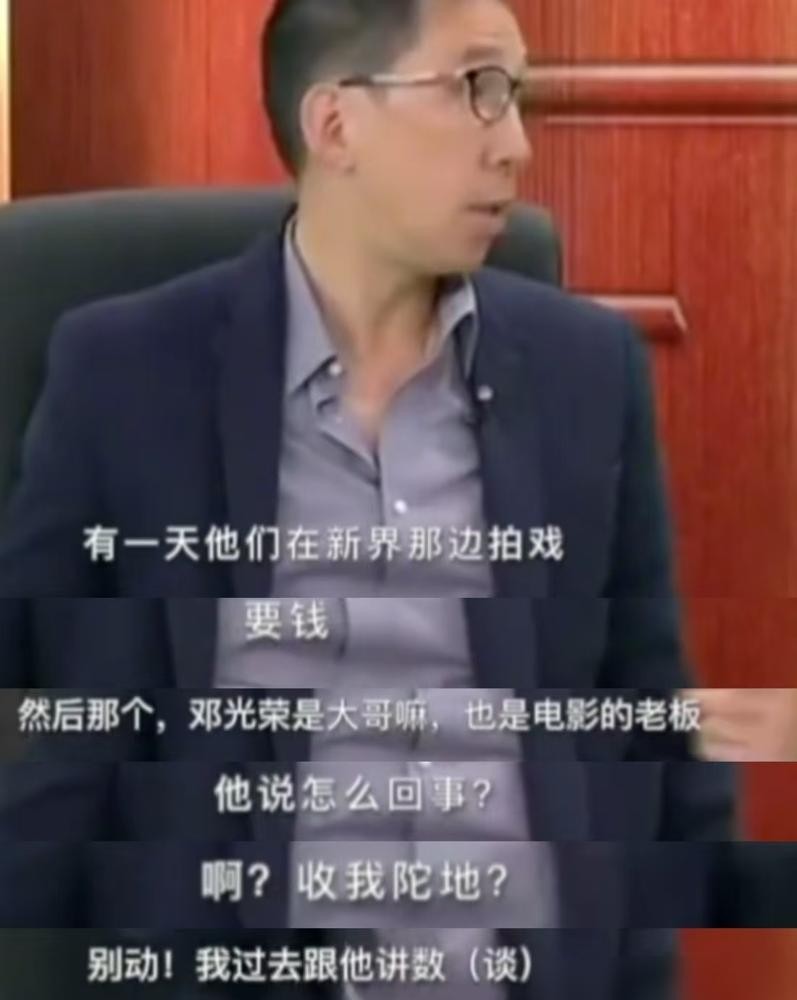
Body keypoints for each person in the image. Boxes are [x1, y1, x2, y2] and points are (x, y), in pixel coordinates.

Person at [0, 0, 750, 997]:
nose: (515, 145)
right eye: (476, 88)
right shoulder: (128, 375)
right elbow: (39, 716)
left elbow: (642, 709)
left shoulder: (584, 370)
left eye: (514, 96)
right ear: (335, 123)